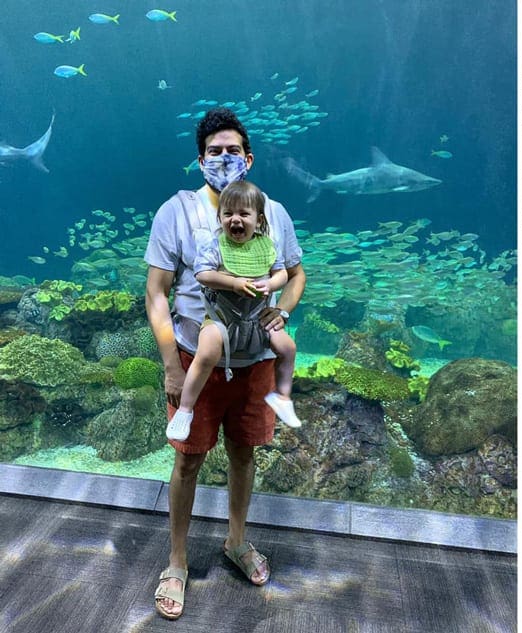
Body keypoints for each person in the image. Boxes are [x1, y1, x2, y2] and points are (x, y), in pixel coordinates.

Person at [145, 107, 305, 620]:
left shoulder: (273, 212)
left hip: (256, 359)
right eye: (214, 152)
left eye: (232, 150)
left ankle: (236, 542)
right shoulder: (177, 211)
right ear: (199, 161)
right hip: (199, 358)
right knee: (188, 459)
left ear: (249, 157)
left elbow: (295, 274)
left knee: (243, 454)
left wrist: (283, 310)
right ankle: (176, 562)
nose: (223, 158)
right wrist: (171, 364)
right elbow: (156, 294)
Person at [165, 180, 303, 443]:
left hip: (257, 320)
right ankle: (185, 409)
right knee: (207, 352)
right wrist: (234, 283)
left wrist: (271, 285)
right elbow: (203, 274)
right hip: (221, 319)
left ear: (259, 219)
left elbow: (283, 273)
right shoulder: (215, 245)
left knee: (288, 348)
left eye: (243, 214)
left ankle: (283, 396)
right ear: (219, 218)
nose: (235, 220)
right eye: (228, 214)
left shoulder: (266, 245)